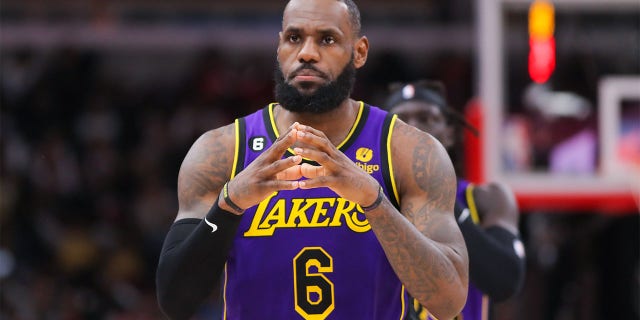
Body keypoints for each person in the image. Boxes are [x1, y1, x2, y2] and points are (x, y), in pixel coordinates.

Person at [155, 1, 469, 320]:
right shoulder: (222, 151)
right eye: (294, 38)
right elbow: (175, 302)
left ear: (359, 52)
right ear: (279, 47)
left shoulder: (405, 150)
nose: (307, 53)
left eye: (327, 39)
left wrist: (376, 203)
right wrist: (230, 203)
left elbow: (449, 300)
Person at [383, 80, 526, 320]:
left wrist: (439, 197)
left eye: (426, 118)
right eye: (402, 122)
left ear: (449, 132)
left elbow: (505, 281)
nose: (414, 129)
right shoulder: (368, 201)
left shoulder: (486, 199)